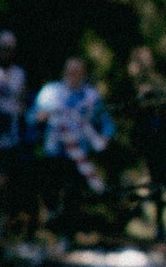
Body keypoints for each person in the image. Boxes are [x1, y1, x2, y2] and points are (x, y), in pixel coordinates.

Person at [31, 53, 116, 229]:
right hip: (53, 151)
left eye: (77, 72)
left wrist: (105, 139)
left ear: (84, 74)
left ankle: (68, 234)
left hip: (79, 154)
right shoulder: (50, 92)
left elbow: (106, 122)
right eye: (69, 72)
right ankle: (50, 226)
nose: (72, 76)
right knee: (50, 191)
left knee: (73, 194)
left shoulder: (92, 97)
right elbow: (32, 117)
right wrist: (39, 118)